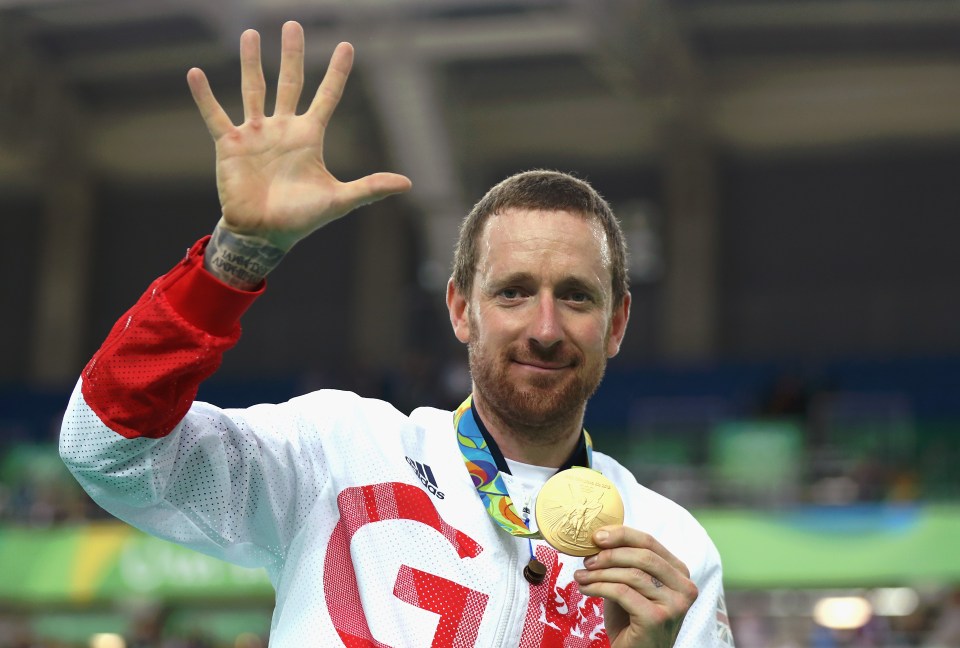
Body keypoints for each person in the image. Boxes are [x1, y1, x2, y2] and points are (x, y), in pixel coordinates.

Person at [59, 21, 732, 648]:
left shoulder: (669, 551)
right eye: (514, 292)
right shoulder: (337, 454)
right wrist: (232, 263)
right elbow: (106, 452)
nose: (546, 328)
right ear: (460, 309)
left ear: (616, 324)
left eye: (577, 297)